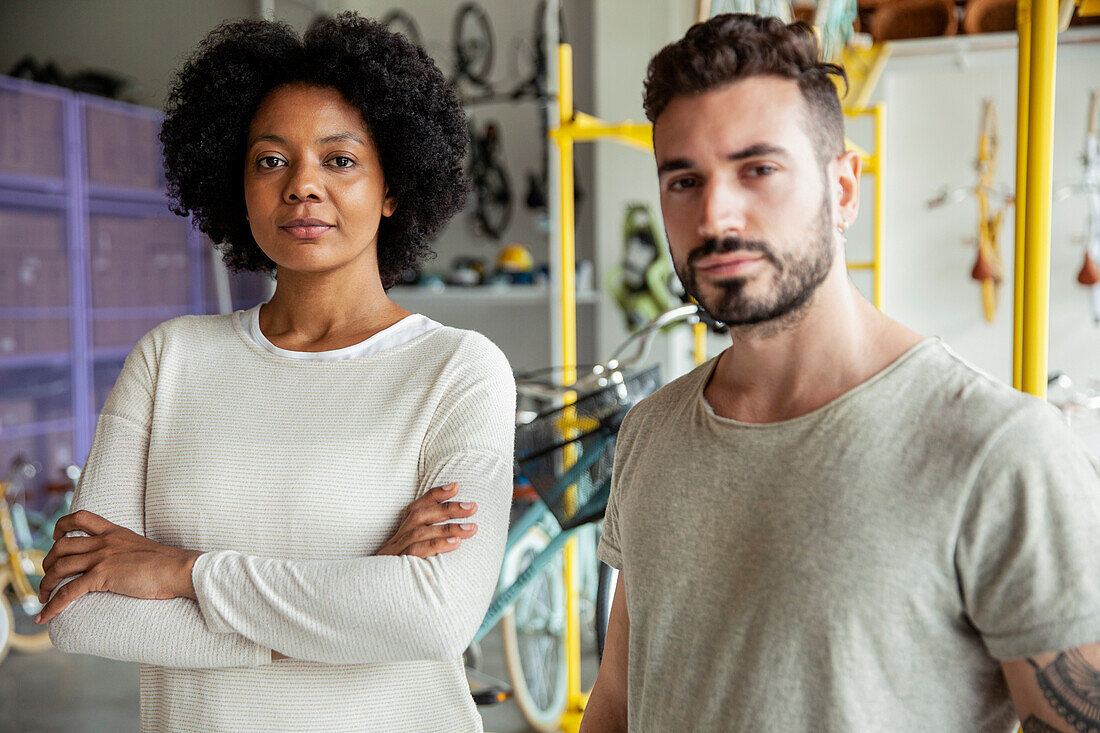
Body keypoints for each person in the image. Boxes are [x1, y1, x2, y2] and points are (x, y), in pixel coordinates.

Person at [581, 13, 1100, 733]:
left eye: (757, 168)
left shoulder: (999, 448)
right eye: (684, 180)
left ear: (845, 188)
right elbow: (615, 701)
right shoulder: (652, 432)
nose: (716, 212)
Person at [35, 14, 514, 733]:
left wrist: (182, 572)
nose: (303, 186)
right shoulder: (170, 359)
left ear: (392, 187)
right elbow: (82, 611)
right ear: (239, 182)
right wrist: (347, 604)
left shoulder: (457, 369)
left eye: (340, 160)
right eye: (270, 160)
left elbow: (431, 615)